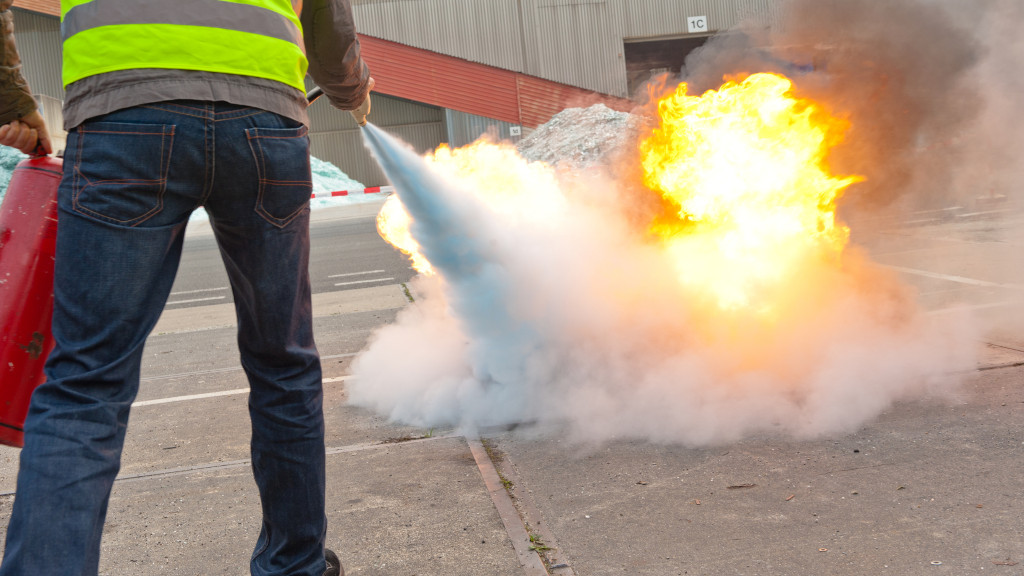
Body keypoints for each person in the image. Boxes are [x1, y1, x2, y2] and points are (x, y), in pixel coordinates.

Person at [0, 1, 374, 575]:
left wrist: (10, 100)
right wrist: (349, 88)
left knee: (86, 384)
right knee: (284, 361)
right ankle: (295, 565)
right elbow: (328, 17)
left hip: (122, 118)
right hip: (263, 121)